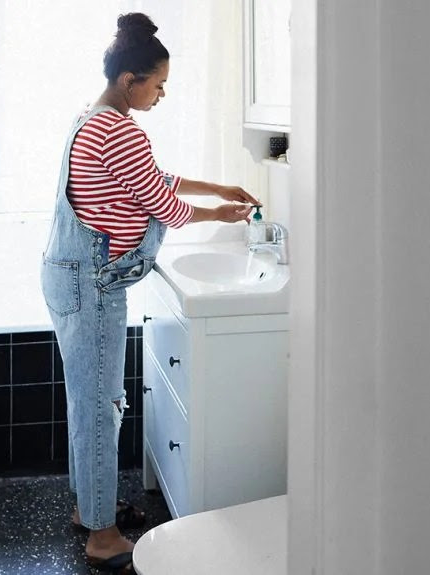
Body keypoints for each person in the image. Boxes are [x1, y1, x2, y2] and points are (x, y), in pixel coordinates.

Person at [40, 12, 259, 572]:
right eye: (157, 85)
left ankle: (89, 507)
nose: (161, 95)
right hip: (92, 286)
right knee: (100, 406)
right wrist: (225, 214)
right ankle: (102, 537)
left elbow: (154, 178)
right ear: (129, 80)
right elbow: (165, 205)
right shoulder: (118, 128)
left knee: (87, 402)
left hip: (73, 276)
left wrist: (218, 184)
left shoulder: (90, 119)